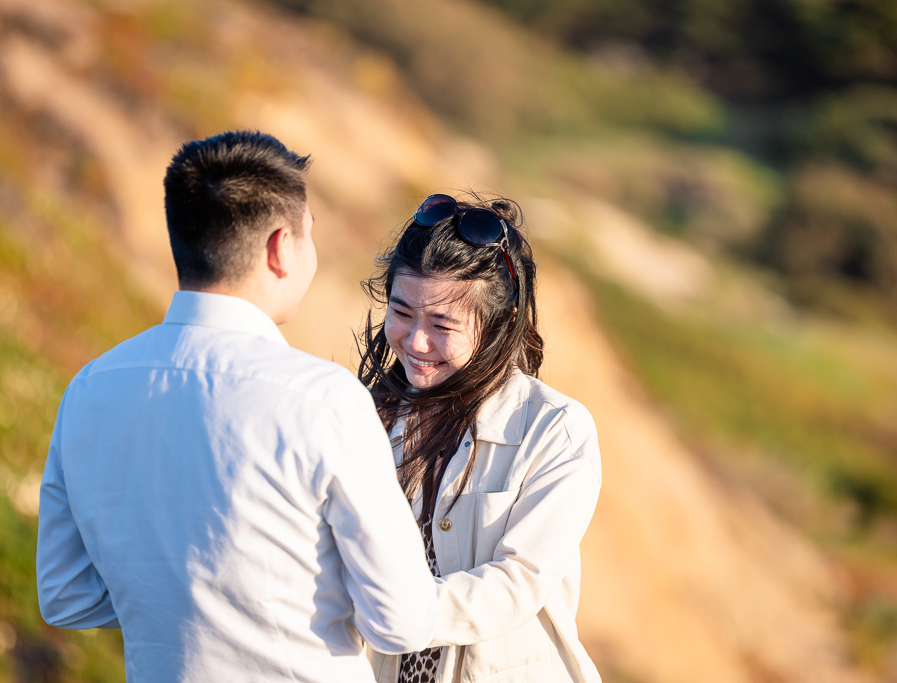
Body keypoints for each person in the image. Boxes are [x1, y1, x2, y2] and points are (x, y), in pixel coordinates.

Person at [36, 130, 437, 683]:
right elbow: (402, 622)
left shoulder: (89, 388)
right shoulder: (323, 400)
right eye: (309, 236)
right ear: (280, 247)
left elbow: (65, 596)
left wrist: (172, 598)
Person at [358, 192, 603, 683]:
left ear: (499, 324)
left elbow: (518, 580)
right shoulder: (367, 414)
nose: (415, 341)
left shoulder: (555, 429)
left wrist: (395, 612)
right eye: (403, 313)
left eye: (442, 324)